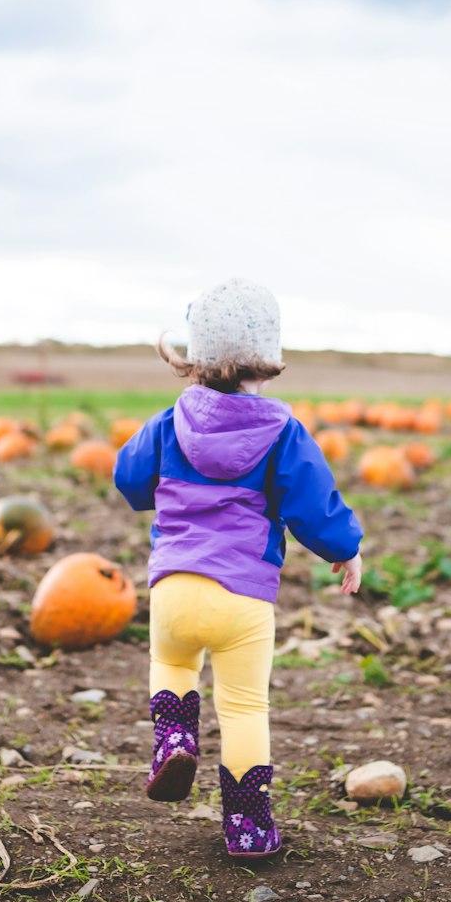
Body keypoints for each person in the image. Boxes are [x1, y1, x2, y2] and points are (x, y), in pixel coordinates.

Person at [114, 278, 364, 858]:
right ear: (268, 359)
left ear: (194, 357)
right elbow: (312, 506)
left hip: (174, 588)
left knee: (171, 662)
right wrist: (345, 549)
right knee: (246, 707)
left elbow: (129, 479)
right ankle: (247, 826)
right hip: (243, 599)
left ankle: (173, 737)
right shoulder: (283, 433)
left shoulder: (168, 422)